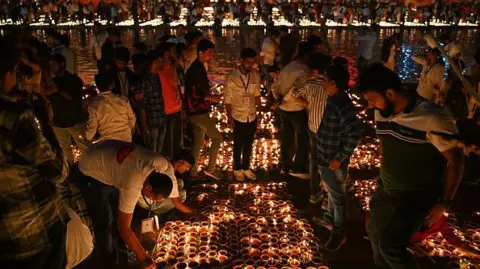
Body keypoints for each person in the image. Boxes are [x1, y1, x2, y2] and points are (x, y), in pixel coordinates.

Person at [358, 64, 464, 269]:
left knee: (391, 247)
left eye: (372, 99)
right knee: (374, 235)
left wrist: (445, 202)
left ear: (390, 93)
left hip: (417, 195)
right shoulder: (381, 113)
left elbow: (456, 160)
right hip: (387, 190)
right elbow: (386, 145)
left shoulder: (432, 117)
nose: (370, 106)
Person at [0, 38, 69, 269]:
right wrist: (47, 122)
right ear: (8, 73)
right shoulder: (15, 116)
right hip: (36, 232)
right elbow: (58, 171)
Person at [77, 140, 192, 269]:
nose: (153, 202)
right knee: (103, 219)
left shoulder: (162, 164)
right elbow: (124, 227)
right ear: (148, 188)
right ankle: (108, 258)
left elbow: (175, 198)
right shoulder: (132, 184)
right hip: (90, 167)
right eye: (153, 199)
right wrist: (144, 258)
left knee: (118, 210)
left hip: (108, 155)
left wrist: (192, 213)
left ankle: (122, 248)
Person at [312, 65, 361, 251]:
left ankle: (339, 232)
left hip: (333, 160)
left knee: (338, 197)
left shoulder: (342, 105)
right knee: (331, 192)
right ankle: (330, 220)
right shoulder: (334, 100)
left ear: (334, 83)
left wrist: (339, 158)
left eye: (325, 80)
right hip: (326, 157)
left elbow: (355, 134)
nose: (323, 83)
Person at [291, 53, 332, 204]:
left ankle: (314, 193)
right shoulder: (330, 86)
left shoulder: (310, 83)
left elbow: (294, 93)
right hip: (328, 129)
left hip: (313, 126)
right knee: (327, 161)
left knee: (314, 159)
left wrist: (308, 104)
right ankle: (328, 193)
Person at [184, 39, 224, 180]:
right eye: (209, 52)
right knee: (217, 137)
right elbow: (196, 94)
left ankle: (193, 171)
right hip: (198, 112)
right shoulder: (196, 69)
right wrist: (213, 99)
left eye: (212, 52)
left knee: (198, 142)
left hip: (194, 111)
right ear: (200, 53)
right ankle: (211, 169)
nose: (211, 55)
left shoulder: (198, 67)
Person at [272, 42, 312, 178]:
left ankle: (286, 166)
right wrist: (284, 97)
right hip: (296, 109)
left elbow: (275, 86)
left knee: (286, 138)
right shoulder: (304, 69)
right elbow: (295, 91)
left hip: (283, 109)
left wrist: (278, 98)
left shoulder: (288, 67)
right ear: (307, 55)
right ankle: (298, 168)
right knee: (302, 139)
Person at [225, 48, 261, 181]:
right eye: (248, 62)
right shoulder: (231, 77)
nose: (250, 65)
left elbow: (257, 94)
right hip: (237, 114)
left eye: (252, 62)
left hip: (251, 114)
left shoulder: (255, 75)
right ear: (241, 61)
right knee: (238, 143)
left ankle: (246, 167)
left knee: (249, 143)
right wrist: (229, 117)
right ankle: (237, 168)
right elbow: (227, 100)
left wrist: (260, 112)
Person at [48, 53, 88, 164]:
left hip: (74, 120)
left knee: (85, 147)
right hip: (58, 121)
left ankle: (89, 169)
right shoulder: (53, 81)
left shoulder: (74, 80)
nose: (52, 68)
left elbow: (76, 98)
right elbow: (49, 98)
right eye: (50, 65)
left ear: (62, 64)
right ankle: (70, 171)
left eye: (54, 65)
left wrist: (58, 91)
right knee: (65, 151)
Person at [135, 149, 195, 217]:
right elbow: (177, 204)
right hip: (149, 199)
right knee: (182, 194)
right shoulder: (170, 175)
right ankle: (156, 211)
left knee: (180, 183)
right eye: (187, 166)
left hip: (149, 189)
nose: (187, 169)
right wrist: (194, 213)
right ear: (180, 162)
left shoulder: (166, 161)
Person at [86, 71, 136, 142]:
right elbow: (132, 118)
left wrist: (88, 137)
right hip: (125, 140)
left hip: (107, 143)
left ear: (97, 86)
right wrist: (127, 130)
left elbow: (91, 129)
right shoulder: (123, 100)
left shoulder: (94, 105)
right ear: (112, 85)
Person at [137, 48, 167, 153]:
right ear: (155, 62)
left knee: (159, 150)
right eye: (162, 61)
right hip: (152, 121)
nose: (164, 63)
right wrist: (145, 127)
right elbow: (142, 105)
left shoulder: (157, 76)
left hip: (161, 119)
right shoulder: (145, 80)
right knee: (151, 152)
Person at [158, 42, 184, 160]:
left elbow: (177, 88)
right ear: (166, 53)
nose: (176, 53)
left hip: (176, 108)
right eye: (173, 51)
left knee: (177, 141)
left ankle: (177, 166)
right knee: (167, 142)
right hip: (166, 111)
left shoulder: (174, 67)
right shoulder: (159, 69)